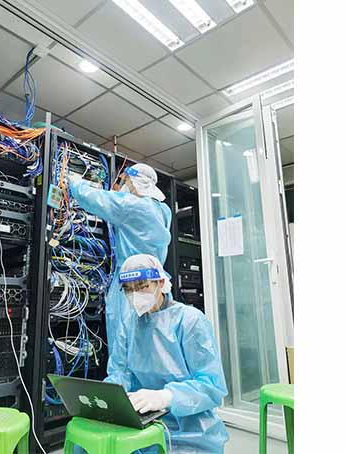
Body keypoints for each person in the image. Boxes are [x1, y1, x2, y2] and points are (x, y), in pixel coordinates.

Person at [67, 163, 172, 384]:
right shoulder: (163, 210)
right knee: (152, 343)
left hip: (133, 283)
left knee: (124, 345)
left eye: (125, 180)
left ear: (134, 181)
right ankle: (151, 394)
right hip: (157, 285)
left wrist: (74, 182)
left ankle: (125, 396)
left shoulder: (133, 205)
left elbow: (95, 198)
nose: (124, 184)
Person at [116, 254, 229, 453]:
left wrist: (167, 396)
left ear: (160, 283)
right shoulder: (129, 324)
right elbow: (119, 372)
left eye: (142, 286)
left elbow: (211, 386)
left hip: (190, 432)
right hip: (143, 422)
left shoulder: (189, 320)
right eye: (128, 289)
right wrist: (110, 400)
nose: (135, 295)